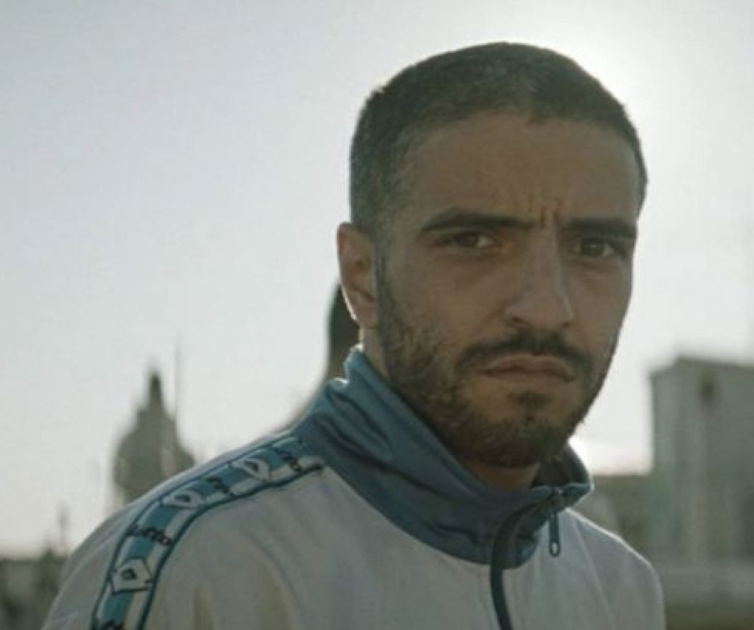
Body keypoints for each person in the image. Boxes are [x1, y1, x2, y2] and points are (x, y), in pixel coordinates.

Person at [42, 42, 664, 630]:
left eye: (595, 247)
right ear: (362, 276)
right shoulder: (197, 575)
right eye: (474, 241)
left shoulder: (621, 590)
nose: (548, 308)